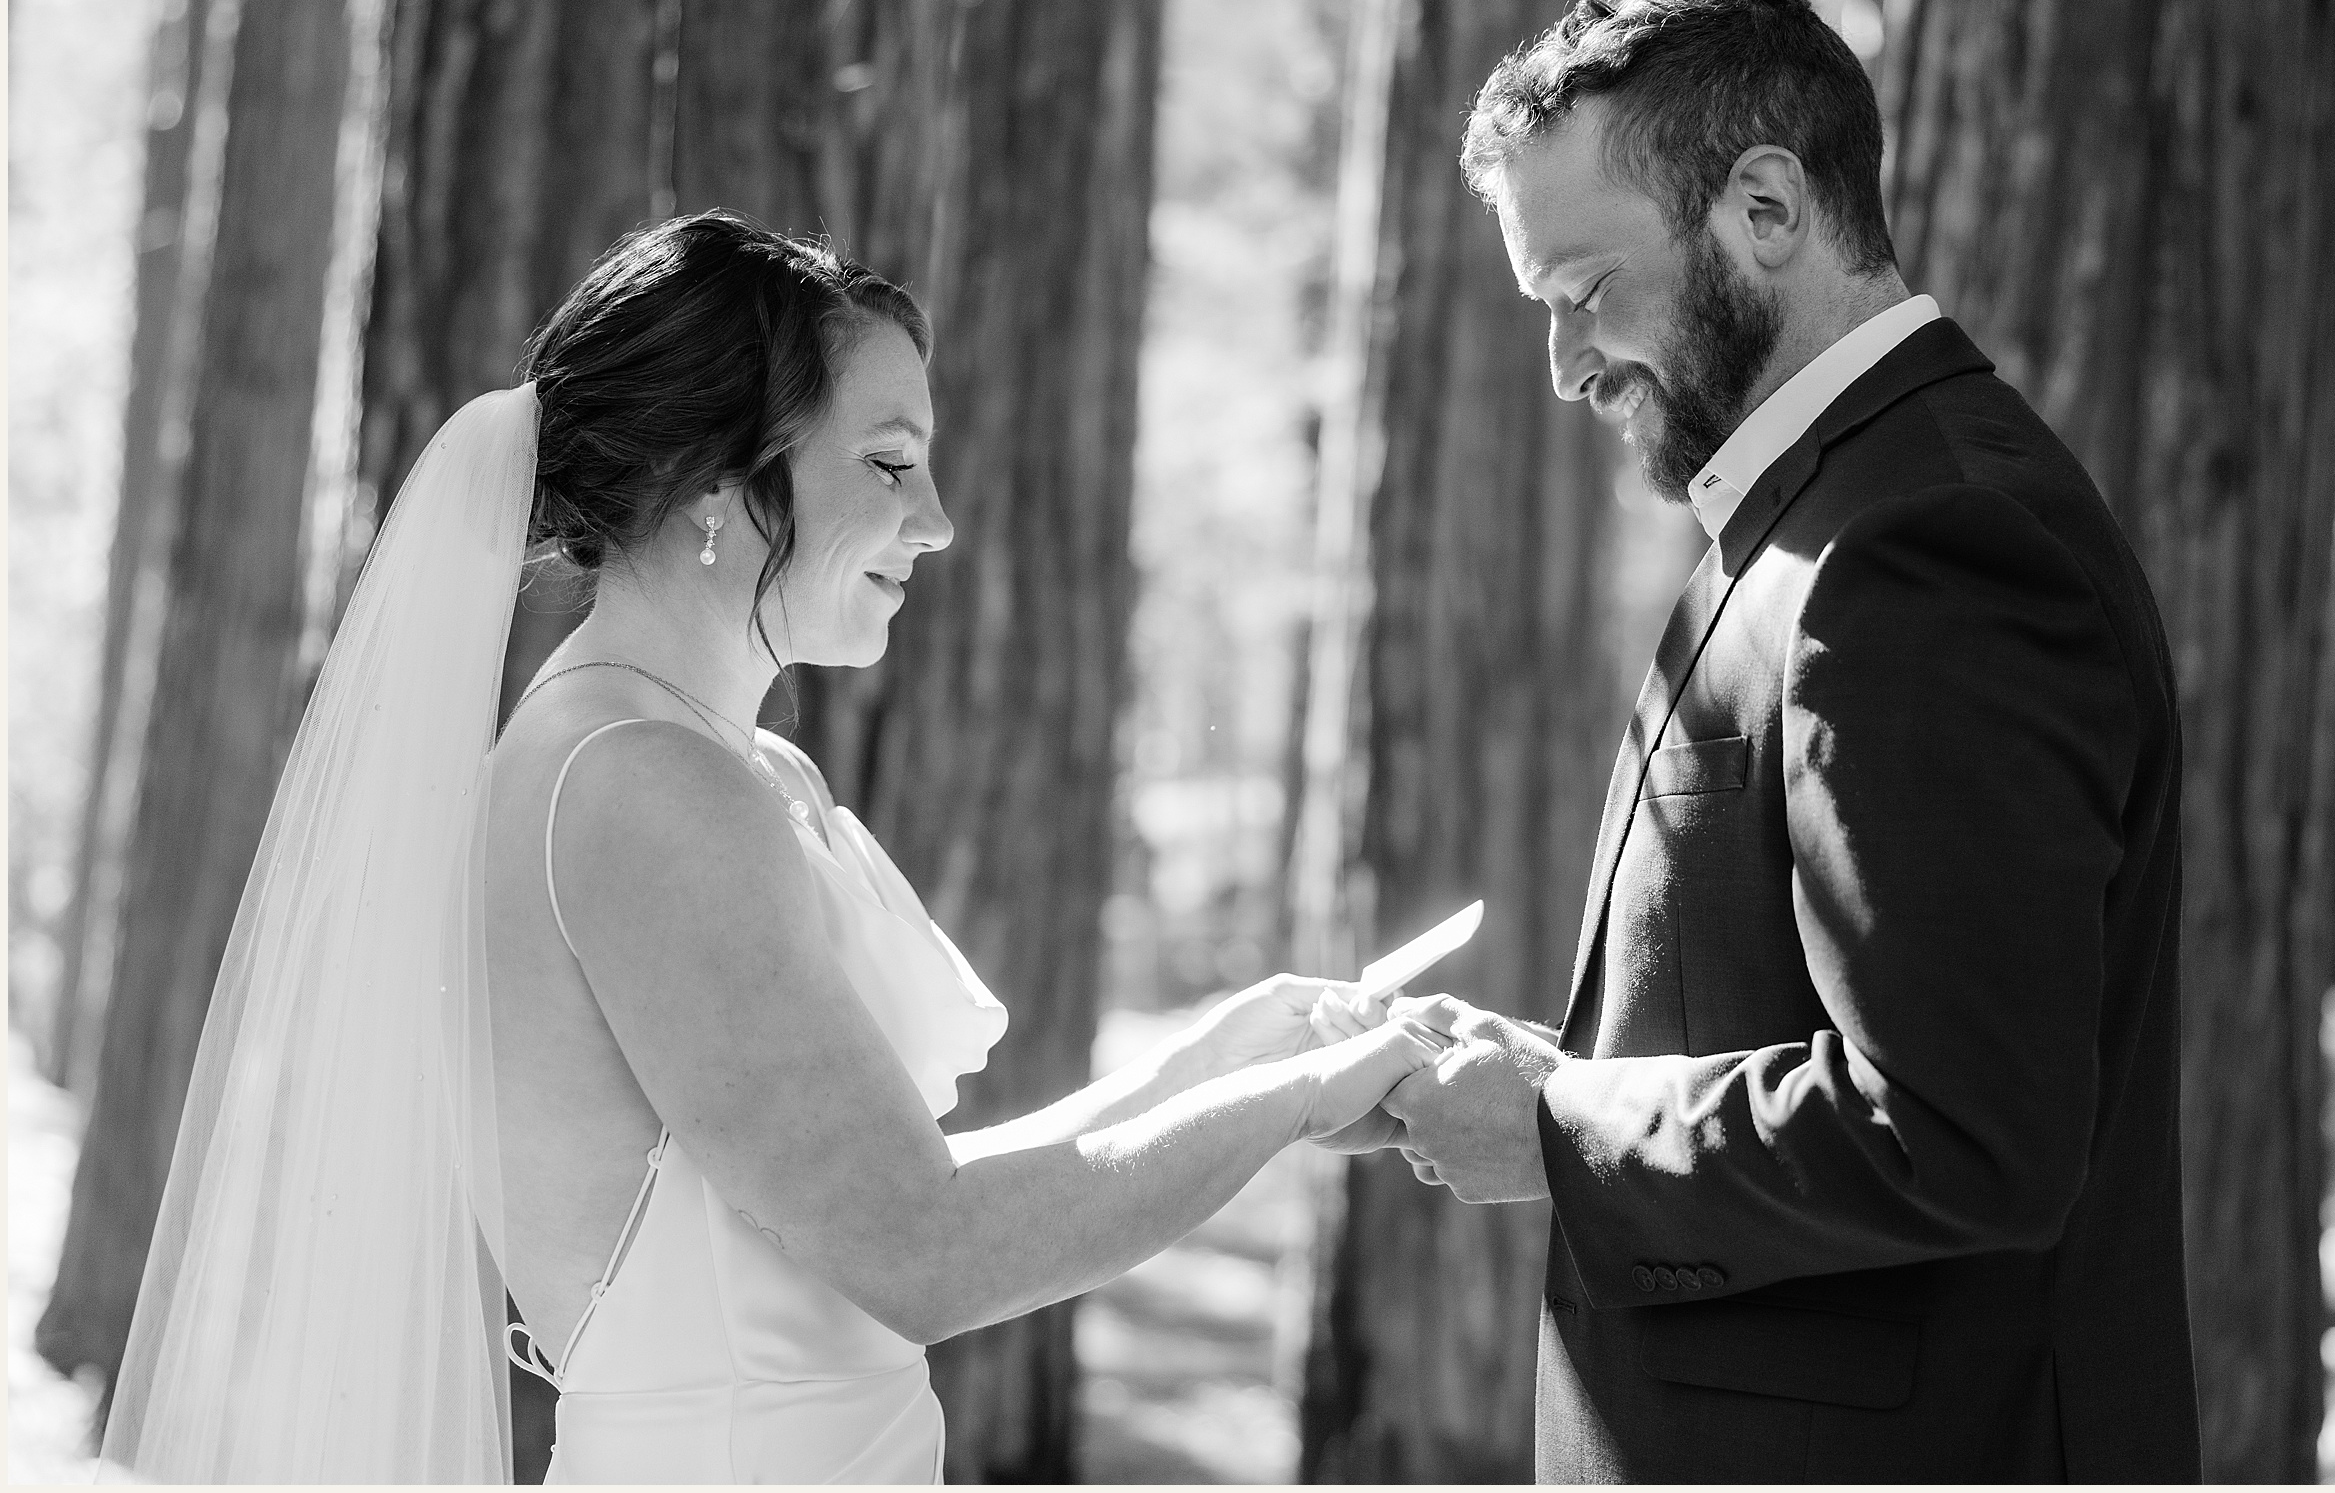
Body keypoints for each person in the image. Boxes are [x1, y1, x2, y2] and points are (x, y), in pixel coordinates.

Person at [103, 211, 1438, 1484]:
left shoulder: (719, 766)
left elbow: (896, 1188)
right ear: (720, 489)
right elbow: (925, 1249)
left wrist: (1234, 1053)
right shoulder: (634, 785)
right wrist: (1293, 1105)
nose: (938, 522)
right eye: (890, 462)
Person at [1382, 0, 2203, 1481]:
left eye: (1583, 293)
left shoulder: (1918, 550)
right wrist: (1557, 1071)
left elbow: (1960, 1128)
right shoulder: (1830, 517)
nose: (1563, 367)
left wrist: (1565, 1135)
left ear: (1767, 208)